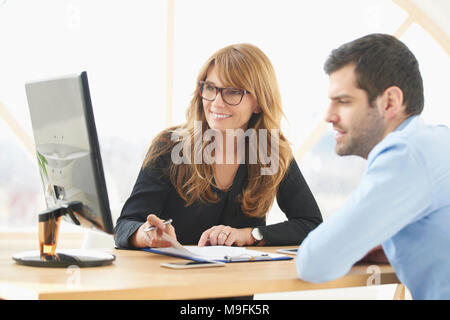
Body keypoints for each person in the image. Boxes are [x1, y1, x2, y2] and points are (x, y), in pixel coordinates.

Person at [115, 43, 322, 251]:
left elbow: (311, 224)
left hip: (237, 282)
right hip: (173, 278)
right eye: (211, 88)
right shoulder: (169, 147)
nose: (216, 102)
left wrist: (251, 235)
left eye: (233, 92)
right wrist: (146, 235)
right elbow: (126, 225)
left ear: (259, 102)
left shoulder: (270, 151)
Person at [296, 33, 450, 300]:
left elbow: (314, 262)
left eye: (343, 101)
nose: (328, 116)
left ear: (389, 101)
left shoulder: (406, 154)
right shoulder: (437, 141)